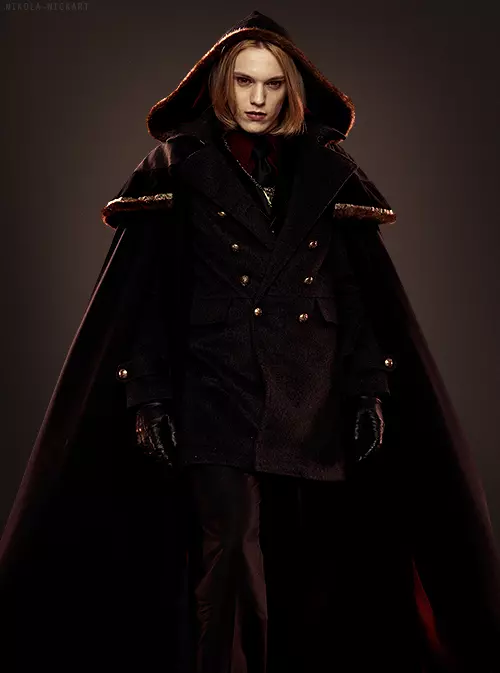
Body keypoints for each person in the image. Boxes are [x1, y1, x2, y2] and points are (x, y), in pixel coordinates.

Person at [1, 10, 500, 673]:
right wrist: (149, 397)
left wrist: (368, 389)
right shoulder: (178, 168)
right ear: (222, 87)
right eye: (244, 82)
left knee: (305, 573)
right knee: (232, 556)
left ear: (290, 90)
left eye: (271, 84)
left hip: (309, 397)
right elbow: (145, 296)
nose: (258, 99)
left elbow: (356, 295)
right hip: (213, 394)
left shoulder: (327, 172)